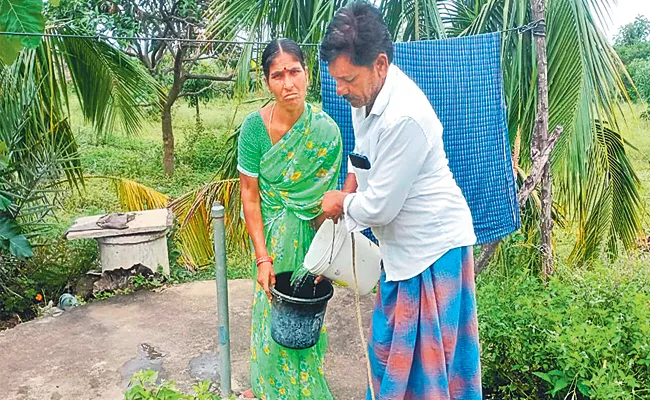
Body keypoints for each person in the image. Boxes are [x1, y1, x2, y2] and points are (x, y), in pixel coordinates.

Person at [320, 2, 483, 399]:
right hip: (400, 252)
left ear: (379, 64)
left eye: (347, 79)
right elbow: (361, 158)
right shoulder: (367, 98)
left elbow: (379, 209)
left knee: (432, 366)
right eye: (336, 79)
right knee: (391, 351)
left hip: (433, 249)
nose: (340, 90)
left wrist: (340, 204)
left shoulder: (404, 117)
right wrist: (348, 189)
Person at [237, 38, 342, 400]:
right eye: (277, 75)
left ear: (307, 74)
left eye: (294, 72)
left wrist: (324, 260)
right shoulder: (254, 129)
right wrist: (262, 257)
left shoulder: (326, 132)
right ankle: (266, 391)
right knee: (269, 324)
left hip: (311, 246)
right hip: (270, 240)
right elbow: (249, 195)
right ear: (267, 82)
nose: (288, 83)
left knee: (306, 325)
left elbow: (326, 206)